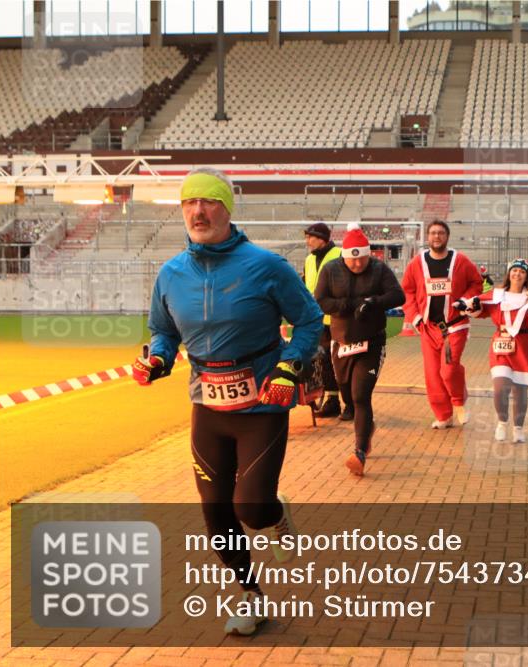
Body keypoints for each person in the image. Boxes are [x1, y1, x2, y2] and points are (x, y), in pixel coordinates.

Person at [132, 167, 323, 636]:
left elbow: (310, 321)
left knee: (250, 508)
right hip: (208, 405)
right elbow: (163, 330)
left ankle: (273, 513)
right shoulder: (171, 273)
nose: (198, 211)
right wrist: (158, 359)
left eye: (209, 202)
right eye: (189, 203)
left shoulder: (267, 266)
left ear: (227, 208)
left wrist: (288, 366)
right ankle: (250, 596)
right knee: (215, 510)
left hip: (262, 401)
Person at [315, 223, 405, 476]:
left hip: (371, 343)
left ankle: (360, 453)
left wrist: (374, 302)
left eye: (362, 260)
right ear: (344, 257)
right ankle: (368, 429)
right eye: (353, 261)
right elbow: (319, 300)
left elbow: (398, 296)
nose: (357, 265)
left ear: (368, 255)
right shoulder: (331, 270)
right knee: (347, 395)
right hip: (342, 342)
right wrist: (347, 305)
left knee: (360, 396)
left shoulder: (378, 269)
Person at [400, 219, 483, 429]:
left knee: (448, 369)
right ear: (427, 237)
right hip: (428, 328)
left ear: (447, 237)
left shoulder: (461, 261)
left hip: (454, 326)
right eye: (433, 233)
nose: (437, 236)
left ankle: (459, 402)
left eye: (441, 233)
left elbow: (476, 282)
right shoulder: (416, 264)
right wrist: (415, 318)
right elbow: (407, 291)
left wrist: (465, 300)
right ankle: (444, 416)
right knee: (433, 375)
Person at [467, 258, 528, 443]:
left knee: (520, 392)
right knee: (500, 387)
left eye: (522, 272)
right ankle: (502, 422)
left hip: (524, 346)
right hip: (500, 344)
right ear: (509, 273)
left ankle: (518, 428)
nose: (517, 274)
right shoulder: (497, 294)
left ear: (526, 276)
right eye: (514, 270)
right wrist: (467, 305)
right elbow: (478, 309)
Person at [302, 222, 344, 418]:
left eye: (310, 236)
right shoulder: (309, 260)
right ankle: (332, 400)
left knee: (342, 361)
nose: (307, 241)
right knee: (324, 360)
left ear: (321, 238)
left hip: (337, 317)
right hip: (317, 320)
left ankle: (351, 402)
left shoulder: (340, 255)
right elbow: (305, 286)